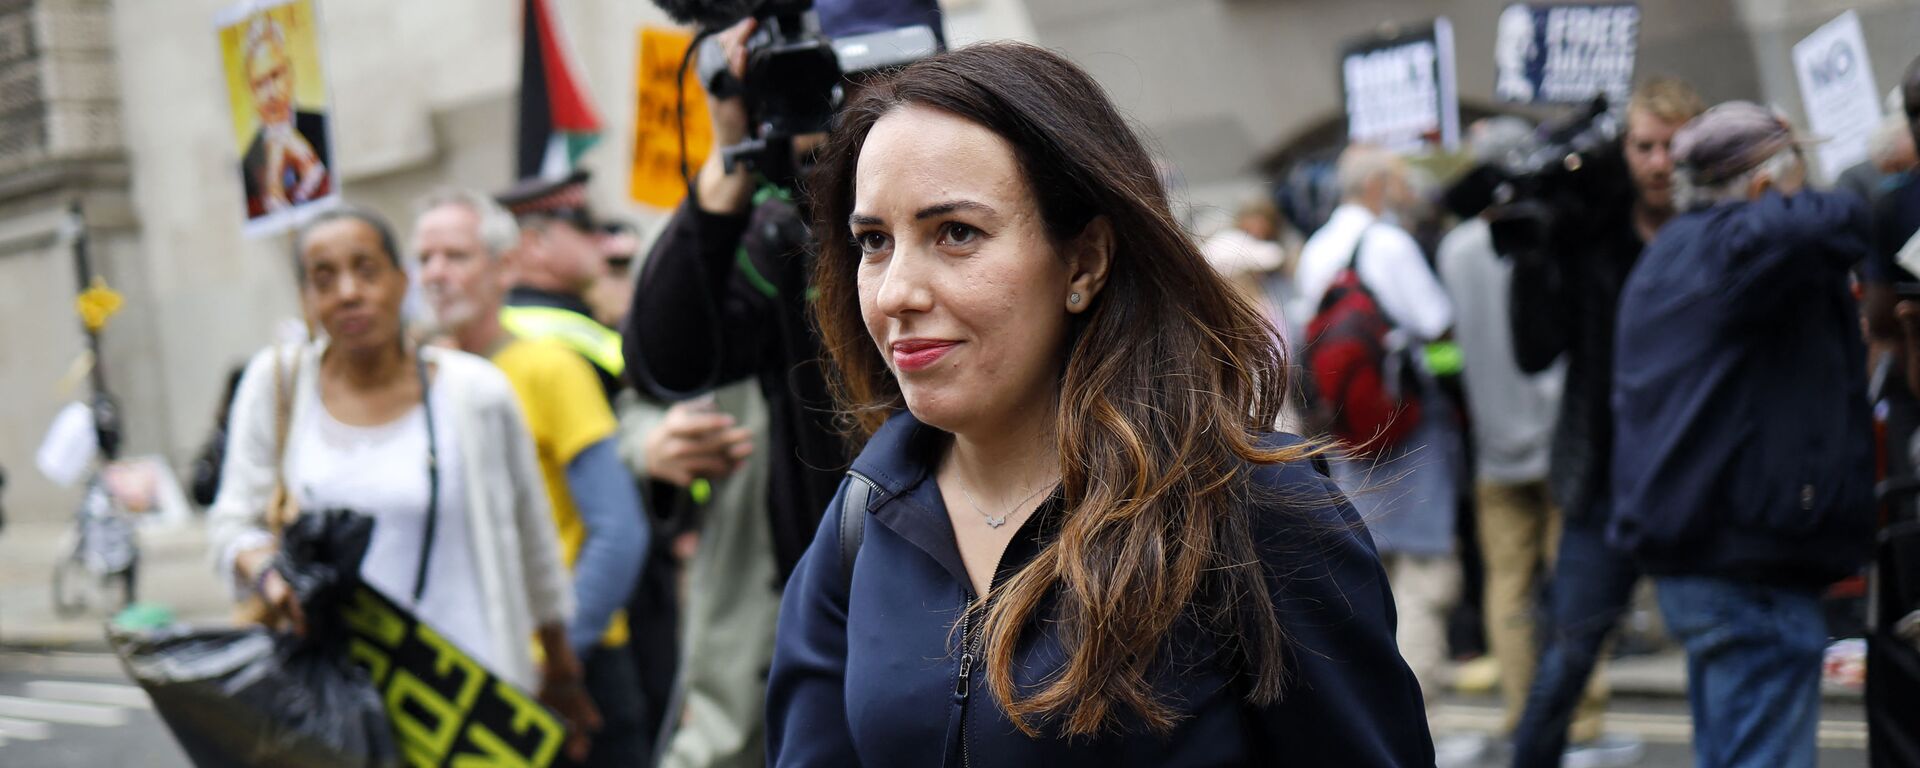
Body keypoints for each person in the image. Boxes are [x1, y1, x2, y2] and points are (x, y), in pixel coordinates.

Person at [765, 42, 1431, 766]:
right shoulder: (862, 520)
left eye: (956, 233)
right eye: (873, 241)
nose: (897, 292)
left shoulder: (1255, 515)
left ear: (1083, 260)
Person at [206, 207, 598, 760]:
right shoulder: (275, 386)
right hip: (338, 708)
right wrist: (271, 575)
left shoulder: (476, 393)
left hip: (474, 702)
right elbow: (232, 525)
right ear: (304, 299)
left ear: (401, 280)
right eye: (323, 278)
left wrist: (561, 671)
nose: (348, 292)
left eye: (366, 270)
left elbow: (534, 542)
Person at [1612, 101, 1875, 768]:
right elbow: (1838, 221)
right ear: (1762, 189)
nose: (1807, 190)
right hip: (1747, 566)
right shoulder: (1738, 248)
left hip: (1707, 558)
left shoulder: (1675, 250)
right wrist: (1874, 172)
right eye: (1798, 177)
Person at [412, 189, 650, 767]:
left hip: (574, 671)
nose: (437, 274)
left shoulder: (548, 367)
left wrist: (556, 658)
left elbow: (618, 532)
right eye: (424, 259)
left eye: (457, 256)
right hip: (474, 666)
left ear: (505, 266)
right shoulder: (420, 383)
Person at [1507, 76, 1701, 768]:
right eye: (1643, 146)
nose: (1658, 162)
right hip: (1604, 487)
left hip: (1696, 483)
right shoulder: (1593, 238)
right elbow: (1535, 351)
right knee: (1564, 662)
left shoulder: (1715, 233)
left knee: (1713, 664)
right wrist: (1533, 258)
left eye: (1671, 146)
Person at [495, 171, 706, 752]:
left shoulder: (568, 326)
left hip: (610, 585)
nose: (599, 243)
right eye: (581, 228)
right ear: (534, 245)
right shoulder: (549, 343)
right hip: (607, 594)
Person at [1436, 116, 1609, 750]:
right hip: (1560, 438)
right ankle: (1581, 714)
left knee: (1507, 585)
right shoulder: (1543, 231)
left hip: (1494, 446)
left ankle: (1521, 712)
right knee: (1571, 580)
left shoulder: (1453, 249)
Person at [1294, 143, 1465, 728]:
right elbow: (1437, 324)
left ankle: (1385, 723)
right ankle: (1428, 726)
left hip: (1347, 436)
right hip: (1406, 430)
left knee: (1371, 576)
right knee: (1424, 575)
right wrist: (1451, 387)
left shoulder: (1316, 250)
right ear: (1376, 186)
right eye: (1395, 180)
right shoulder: (1388, 243)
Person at [238, 14, 331, 218]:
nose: (271, 92)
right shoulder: (248, 162)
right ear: (251, 92)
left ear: (289, 74)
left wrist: (313, 173)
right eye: (260, 84)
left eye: (276, 75)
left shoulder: (323, 126)